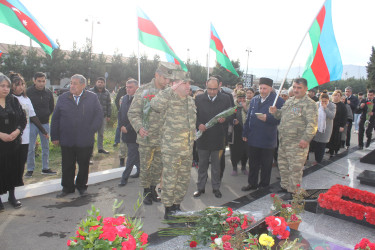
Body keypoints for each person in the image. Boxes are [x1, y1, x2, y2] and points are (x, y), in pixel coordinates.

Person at [128, 62, 178, 205]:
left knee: (158, 166)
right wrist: (139, 127)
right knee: (145, 166)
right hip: (146, 137)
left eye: (169, 79)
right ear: (157, 75)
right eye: (165, 79)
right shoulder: (143, 91)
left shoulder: (169, 92)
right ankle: (145, 191)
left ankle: (152, 189)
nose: (167, 82)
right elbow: (133, 113)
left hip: (163, 138)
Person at [150, 70, 196, 219]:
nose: (189, 86)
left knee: (183, 180)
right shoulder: (168, 98)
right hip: (171, 150)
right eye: (185, 83)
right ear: (175, 84)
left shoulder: (190, 101)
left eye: (189, 83)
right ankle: (168, 210)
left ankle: (177, 206)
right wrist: (170, 90)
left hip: (187, 149)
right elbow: (154, 104)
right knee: (170, 180)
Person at [51, 74, 103, 197]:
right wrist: (55, 136)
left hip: (85, 139)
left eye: (75, 83)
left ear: (83, 85)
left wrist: (91, 130)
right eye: (71, 83)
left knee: (84, 164)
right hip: (67, 138)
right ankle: (67, 188)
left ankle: (81, 187)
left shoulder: (92, 97)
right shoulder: (63, 98)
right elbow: (56, 118)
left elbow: (99, 115)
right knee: (67, 165)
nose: (72, 86)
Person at [269, 78, 318, 199]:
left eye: (299, 88)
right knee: (283, 165)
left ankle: (293, 192)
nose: (296, 90)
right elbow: (282, 115)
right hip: (284, 141)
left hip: (297, 143)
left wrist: (306, 139)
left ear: (306, 89)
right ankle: (285, 186)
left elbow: (312, 124)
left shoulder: (310, 104)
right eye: (294, 87)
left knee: (295, 168)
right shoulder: (290, 101)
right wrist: (275, 112)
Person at [242, 77, 284, 191]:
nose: (262, 91)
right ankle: (252, 184)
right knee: (253, 164)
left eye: (265, 88)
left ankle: (264, 185)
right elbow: (248, 117)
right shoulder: (255, 99)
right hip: (253, 138)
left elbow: (281, 119)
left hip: (267, 140)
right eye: (260, 88)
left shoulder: (278, 101)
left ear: (270, 88)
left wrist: (268, 118)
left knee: (266, 165)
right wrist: (245, 132)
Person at [193, 77, 231, 199]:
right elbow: (194, 116)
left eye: (215, 89)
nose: (212, 92)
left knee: (216, 166)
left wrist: (225, 119)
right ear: (206, 85)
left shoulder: (225, 99)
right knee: (202, 164)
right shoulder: (198, 99)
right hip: (203, 138)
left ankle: (216, 188)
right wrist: (199, 124)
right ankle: (200, 188)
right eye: (210, 89)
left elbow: (231, 115)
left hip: (218, 138)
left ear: (219, 86)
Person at [10, 73, 49, 179]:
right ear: (12, 86)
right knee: (12, 160)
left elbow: (33, 116)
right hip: (12, 135)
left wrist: (43, 131)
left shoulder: (26, 99)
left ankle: (18, 180)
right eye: (18, 84)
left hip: (25, 134)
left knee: (22, 160)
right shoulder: (9, 99)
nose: (21, 87)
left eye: (22, 84)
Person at [0, 74, 26, 211]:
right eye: (2, 86)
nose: (5, 89)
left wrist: (17, 131)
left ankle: (12, 196)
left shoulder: (13, 101)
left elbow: (23, 119)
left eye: (7, 86)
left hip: (13, 143)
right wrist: (1, 135)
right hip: (0, 143)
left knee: (12, 169)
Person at [25, 72, 56, 177]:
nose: (41, 83)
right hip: (32, 124)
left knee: (45, 147)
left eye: (43, 81)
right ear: (34, 81)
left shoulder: (48, 92)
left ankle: (45, 168)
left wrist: (47, 114)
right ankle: (30, 169)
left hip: (45, 123)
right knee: (31, 147)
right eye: (39, 81)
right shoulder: (28, 92)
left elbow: (52, 106)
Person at [118, 79, 139, 186]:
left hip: (135, 132)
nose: (128, 89)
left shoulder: (139, 99)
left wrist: (128, 128)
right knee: (136, 155)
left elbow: (140, 116)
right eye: (127, 87)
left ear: (137, 88)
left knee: (131, 156)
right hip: (124, 131)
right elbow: (121, 113)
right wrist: (121, 126)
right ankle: (139, 171)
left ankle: (124, 178)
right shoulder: (125, 98)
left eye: (130, 87)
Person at [310, 93, 336, 163]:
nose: (324, 103)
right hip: (317, 128)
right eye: (322, 101)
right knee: (315, 145)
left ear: (328, 100)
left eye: (325, 101)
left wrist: (325, 108)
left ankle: (318, 160)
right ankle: (315, 159)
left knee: (321, 146)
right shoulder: (317, 104)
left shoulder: (332, 105)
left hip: (325, 129)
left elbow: (332, 116)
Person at [229, 90, 249, 176]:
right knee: (234, 150)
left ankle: (243, 167)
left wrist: (245, 108)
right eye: (240, 98)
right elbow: (229, 117)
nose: (241, 100)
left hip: (245, 131)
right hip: (235, 132)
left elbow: (251, 117)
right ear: (237, 98)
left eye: (243, 98)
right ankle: (234, 167)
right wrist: (233, 121)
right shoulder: (233, 106)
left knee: (245, 150)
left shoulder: (249, 105)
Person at [90, 77, 112, 154]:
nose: (100, 83)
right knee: (91, 134)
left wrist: (109, 115)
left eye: (102, 82)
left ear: (104, 84)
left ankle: (100, 148)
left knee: (101, 133)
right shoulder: (90, 91)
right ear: (96, 83)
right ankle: (90, 151)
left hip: (103, 116)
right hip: (92, 117)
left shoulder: (107, 92)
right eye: (99, 82)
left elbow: (109, 104)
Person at [326, 90, 347, 156]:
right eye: (335, 95)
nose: (336, 97)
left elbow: (344, 116)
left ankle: (335, 150)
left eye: (338, 95)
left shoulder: (342, 105)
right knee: (330, 137)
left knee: (336, 138)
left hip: (338, 124)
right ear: (332, 96)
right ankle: (330, 149)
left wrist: (342, 126)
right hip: (330, 124)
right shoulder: (329, 104)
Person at [114, 80, 128, 147]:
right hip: (122, 112)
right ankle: (116, 141)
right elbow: (117, 100)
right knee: (119, 127)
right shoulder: (121, 90)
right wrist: (119, 108)